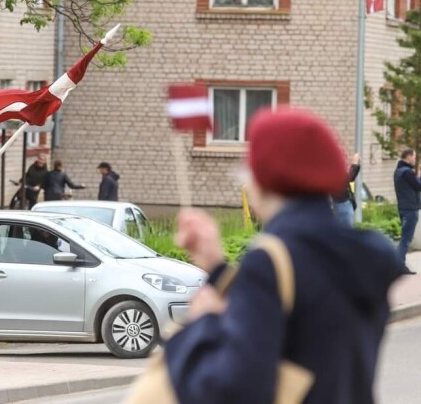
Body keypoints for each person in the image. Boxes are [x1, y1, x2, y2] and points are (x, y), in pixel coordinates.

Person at [164, 107, 402, 404]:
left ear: (266, 178)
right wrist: (217, 269)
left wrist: (201, 325)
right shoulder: (368, 252)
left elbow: (231, 390)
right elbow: (308, 320)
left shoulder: (269, 261)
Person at [393, 148, 421, 275]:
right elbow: (419, 186)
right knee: (406, 239)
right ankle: (398, 265)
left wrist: (420, 173)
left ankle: (397, 264)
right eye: (414, 157)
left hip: (403, 207)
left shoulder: (399, 171)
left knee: (405, 237)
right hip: (410, 209)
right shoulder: (406, 172)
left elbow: (413, 184)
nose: (414, 159)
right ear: (408, 157)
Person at [331, 153, 361, 227]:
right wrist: (355, 164)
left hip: (341, 203)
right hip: (341, 204)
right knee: (345, 231)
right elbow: (347, 179)